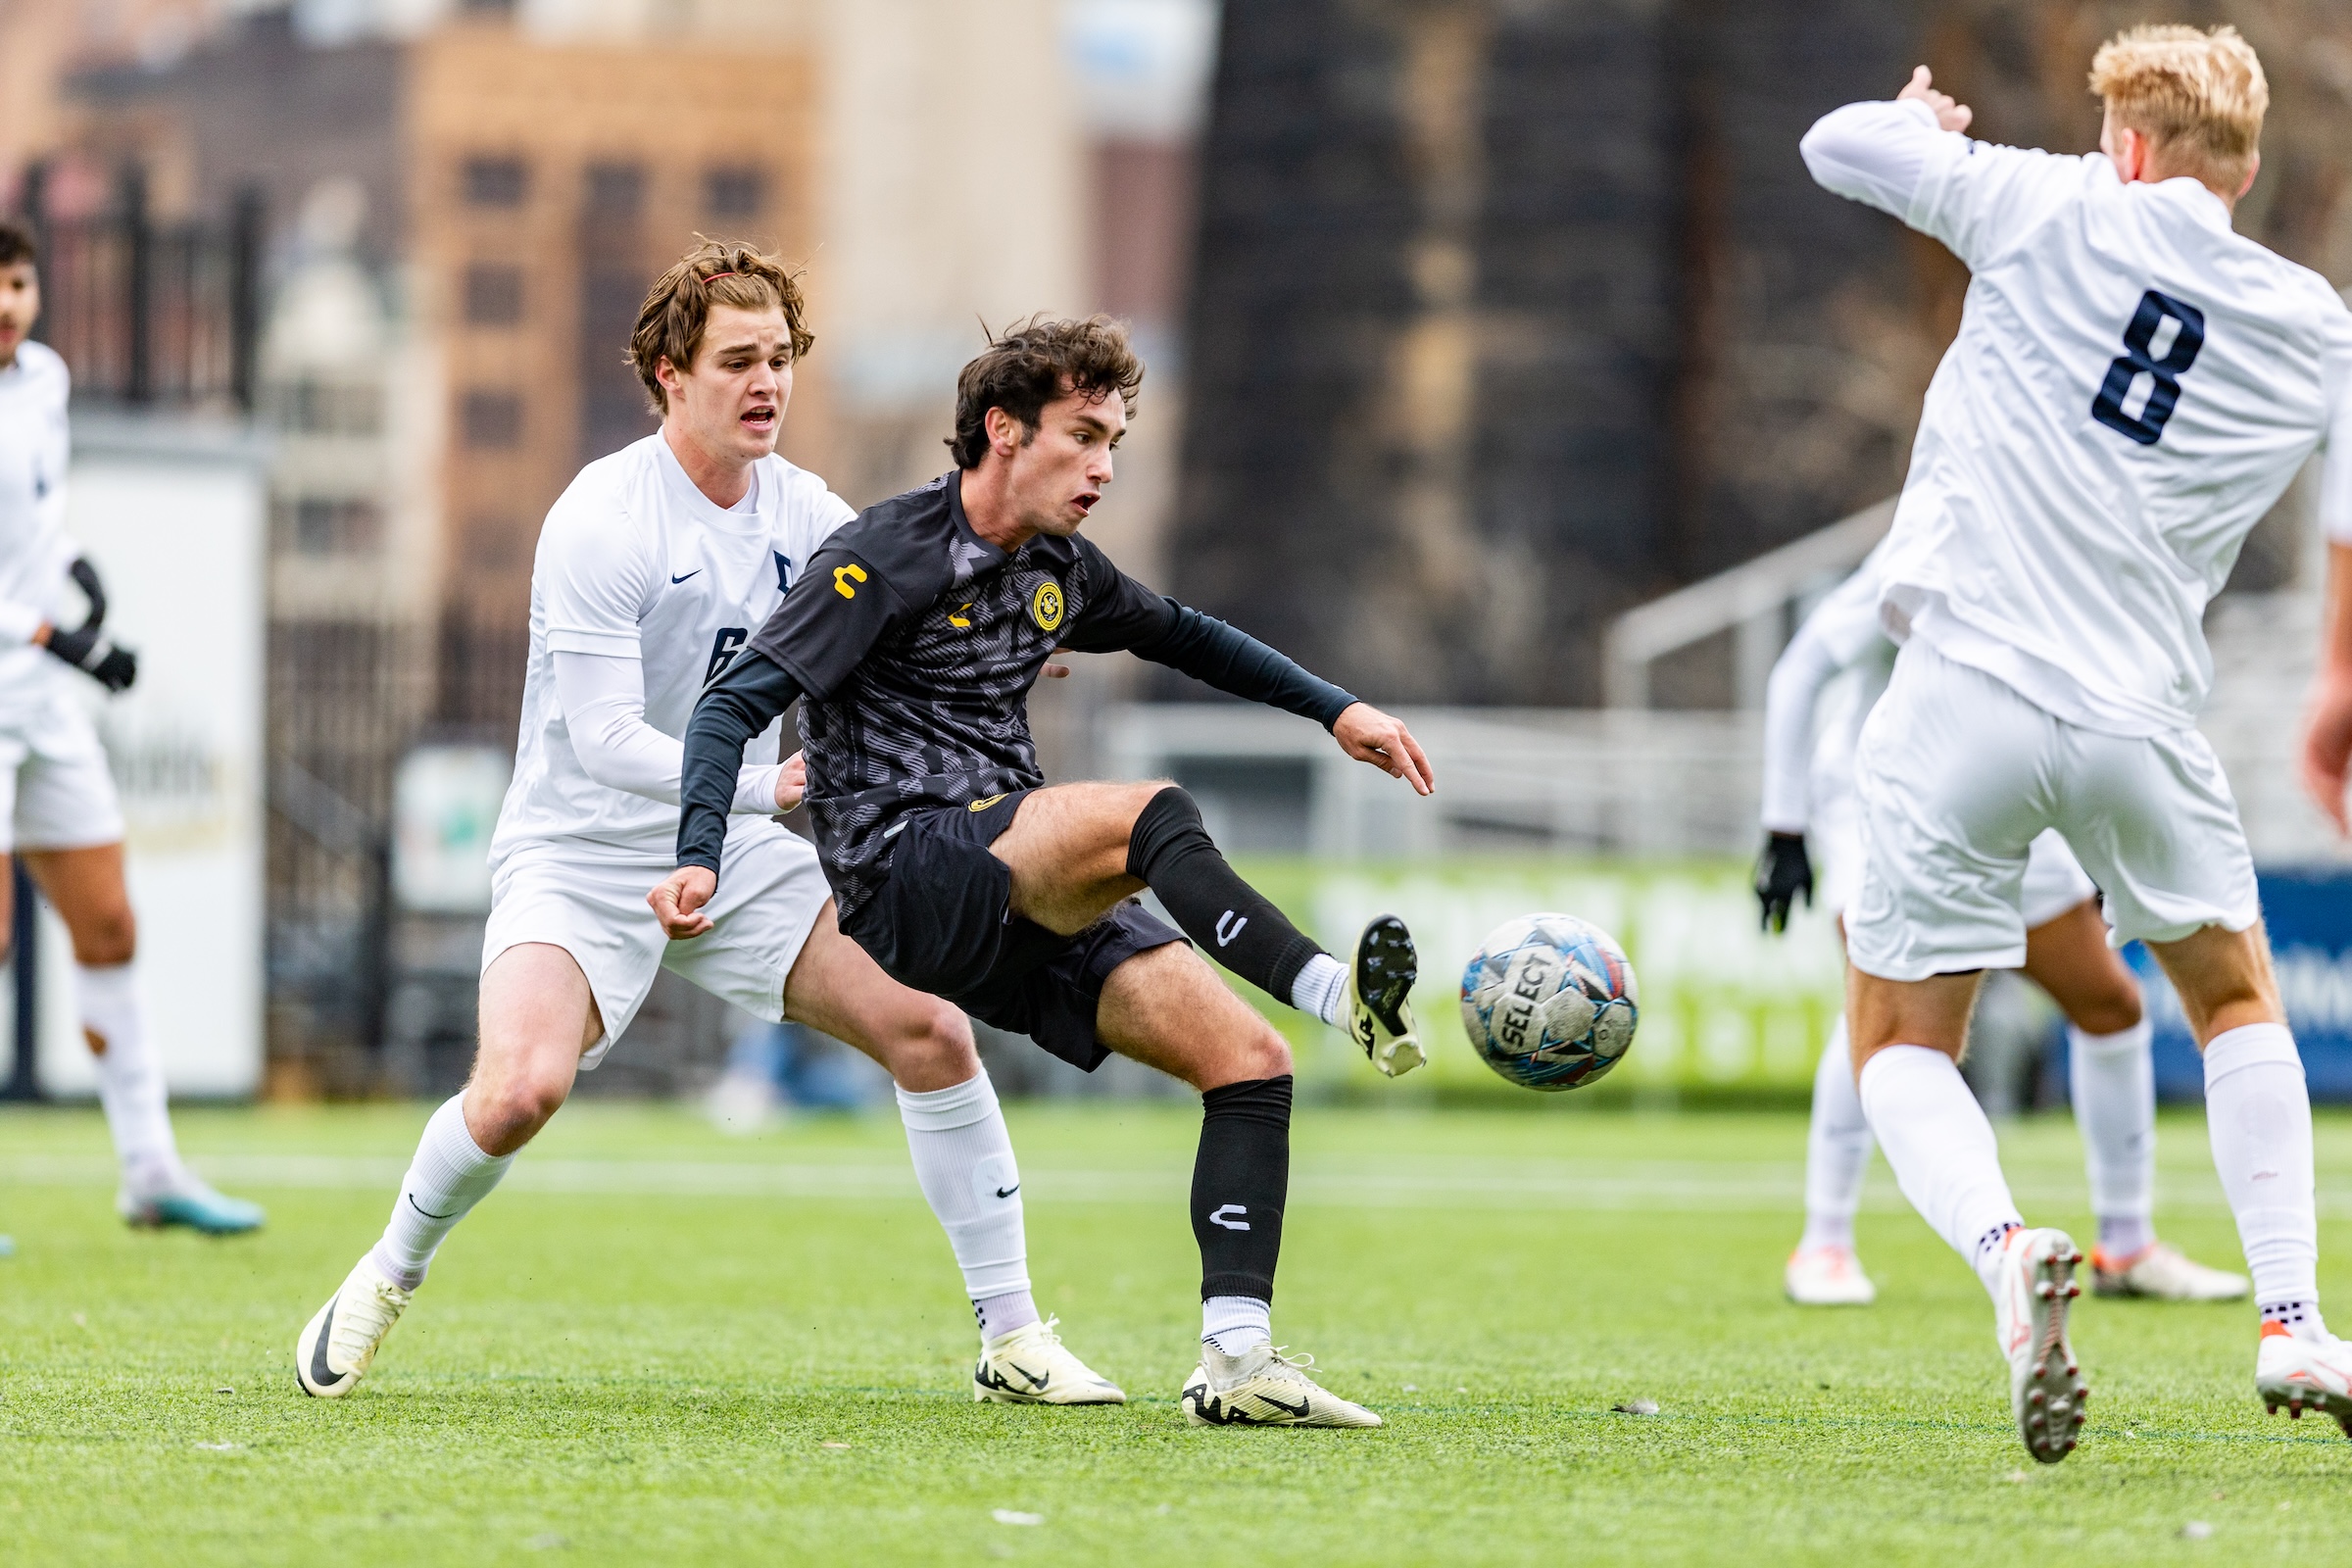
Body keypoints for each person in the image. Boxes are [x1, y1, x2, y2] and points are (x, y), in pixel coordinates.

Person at [296, 241, 1120, 1407]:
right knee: (520, 1090)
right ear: (668, 375)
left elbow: (921, 612)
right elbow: (600, 742)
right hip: (582, 851)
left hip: (733, 854)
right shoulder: (602, 518)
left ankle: (1013, 1336)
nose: (766, 382)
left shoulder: (810, 512)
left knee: (931, 1029)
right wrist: (759, 789)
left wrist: (1007, 636)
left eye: (781, 357)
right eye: (737, 359)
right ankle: (387, 1273)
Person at [655, 316, 1432, 1427]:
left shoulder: (1060, 570)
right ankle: (1335, 993)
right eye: (1085, 436)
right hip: (904, 867)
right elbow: (732, 705)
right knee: (1145, 816)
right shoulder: (885, 552)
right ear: (1003, 431)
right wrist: (696, 858)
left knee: (1248, 1065)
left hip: (1009, 883)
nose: (1106, 465)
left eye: (1116, 439)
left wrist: (1338, 709)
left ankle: (1238, 1358)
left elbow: (1192, 635)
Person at [1800, 25, 2352, 1463]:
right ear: (2242, 164)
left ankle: (2003, 1257)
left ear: (2130, 144)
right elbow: (2349, 523)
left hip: (1963, 691)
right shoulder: (2317, 325)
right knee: (2233, 1004)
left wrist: (1915, 116)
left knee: (1901, 1043)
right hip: (2139, 717)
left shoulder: (2052, 205)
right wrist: (2337, 687)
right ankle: (2294, 1320)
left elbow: (1835, 147)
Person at [1757, 546, 2243, 1308]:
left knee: (2110, 1005)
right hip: (1888, 801)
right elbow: (1800, 671)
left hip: (2008, 799)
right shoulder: (1931, 542)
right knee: (1879, 1015)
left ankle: (2125, 1245)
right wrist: (1783, 827)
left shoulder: (2066, 547)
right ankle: (1823, 1243)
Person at [0, 219, 263, 1239]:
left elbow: (37, 518)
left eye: (18, 282)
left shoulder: (47, 381)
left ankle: (150, 1170)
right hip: (22, 665)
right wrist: (59, 637)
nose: (8, 303)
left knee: (108, 923)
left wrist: (76, 572)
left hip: (42, 693)